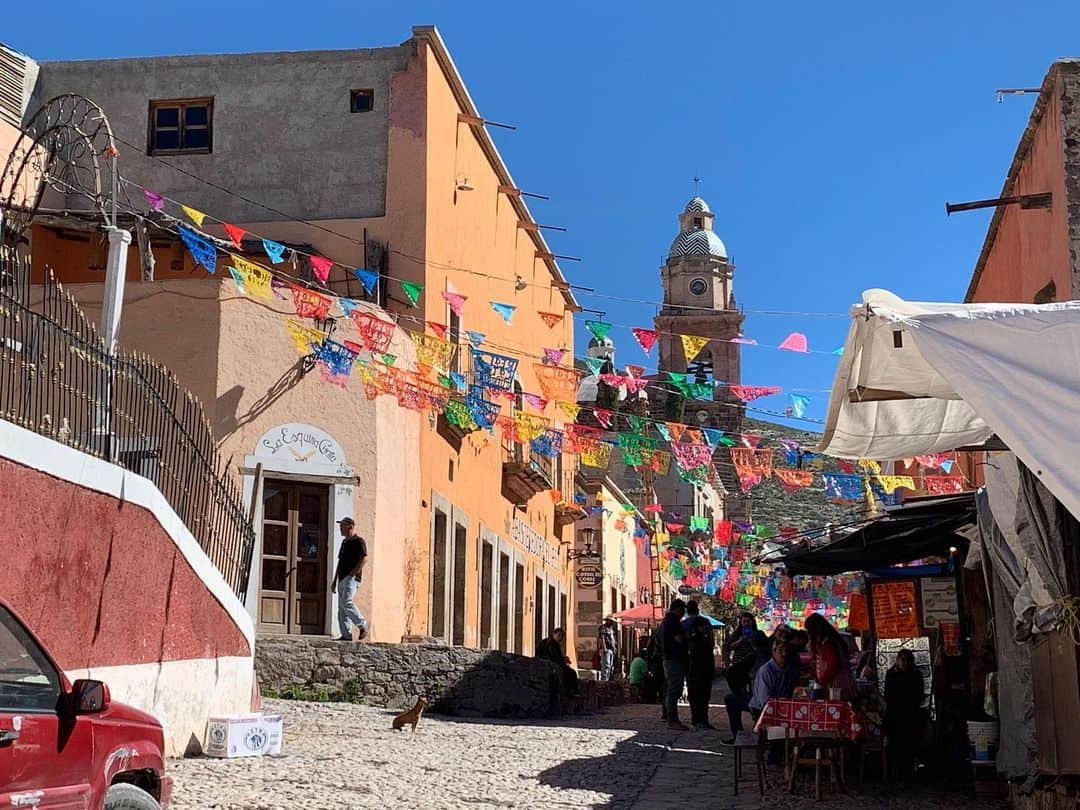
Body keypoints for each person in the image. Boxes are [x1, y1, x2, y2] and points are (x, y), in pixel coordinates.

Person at [723, 638, 799, 746]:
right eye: (780, 650)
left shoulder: (788, 668)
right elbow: (765, 702)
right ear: (774, 651)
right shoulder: (766, 671)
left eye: (786, 650)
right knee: (731, 699)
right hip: (763, 707)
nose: (784, 654)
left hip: (781, 705)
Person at [885, 649, 925, 781]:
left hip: (910, 713)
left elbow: (919, 694)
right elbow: (888, 695)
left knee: (910, 744)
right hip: (895, 713)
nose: (904, 663)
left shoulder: (916, 674)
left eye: (907, 660)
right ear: (898, 660)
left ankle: (908, 772)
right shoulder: (891, 674)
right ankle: (895, 772)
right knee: (895, 744)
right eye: (902, 660)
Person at [804, 612, 856, 700]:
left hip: (836, 686)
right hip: (842, 682)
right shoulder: (833, 640)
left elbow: (832, 665)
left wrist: (821, 681)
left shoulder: (828, 644)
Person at [331, 517, 368, 641]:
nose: (340, 528)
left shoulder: (359, 541)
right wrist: (334, 580)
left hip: (351, 579)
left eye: (343, 526)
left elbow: (364, 559)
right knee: (341, 608)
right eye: (340, 526)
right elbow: (340, 562)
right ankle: (346, 635)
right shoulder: (344, 543)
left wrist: (352, 574)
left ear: (351, 526)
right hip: (342, 578)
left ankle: (362, 625)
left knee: (346, 602)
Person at [682, 601, 716, 729]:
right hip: (706, 661)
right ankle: (704, 719)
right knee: (705, 692)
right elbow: (712, 642)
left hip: (690, 663)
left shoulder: (683, 624)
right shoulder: (705, 622)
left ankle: (695, 718)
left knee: (693, 692)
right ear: (697, 609)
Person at [661, 599, 689, 730]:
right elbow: (678, 639)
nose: (683, 614)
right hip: (674, 659)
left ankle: (670, 717)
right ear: (677, 609)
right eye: (682, 610)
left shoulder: (667, 620)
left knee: (671, 689)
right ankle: (672, 720)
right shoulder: (673, 621)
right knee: (674, 690)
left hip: (669, 658)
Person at [723, 612, 766, 698]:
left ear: (752, 622)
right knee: (740, 689)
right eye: (744, 621)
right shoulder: (736, 634)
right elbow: (728, 647)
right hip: (738, 664)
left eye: (748, 621)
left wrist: (753, 642)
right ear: (741, 622)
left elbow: (763, 647)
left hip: (753, 665)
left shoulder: (758, 634)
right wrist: (740, 640)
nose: (746, 623)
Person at [537, 628, 579, 697]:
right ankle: (571, 692)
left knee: (569, 672)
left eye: (561, 636)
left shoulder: (553, 643)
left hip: (550, 663)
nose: (560, 638)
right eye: (559, 635)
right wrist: (563, 660)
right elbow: (553, 657)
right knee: (571, 673)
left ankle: (571, 692)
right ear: (554, 634)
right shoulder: (550, 643)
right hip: (550, 665)